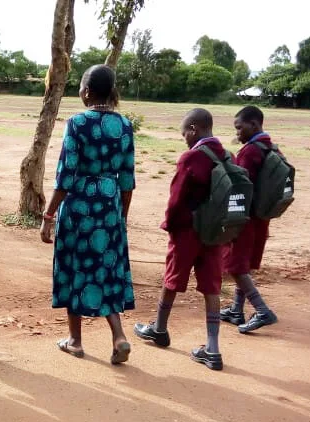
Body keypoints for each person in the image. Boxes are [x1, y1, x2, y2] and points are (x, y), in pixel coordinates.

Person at [40, 64, 135, 365]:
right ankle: (119, 336)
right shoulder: (125, 126)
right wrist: (121, 216)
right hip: (110, 205)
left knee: (74, 267)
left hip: (80, 206)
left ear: (86, 91)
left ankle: (75, 341)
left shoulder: (77, 123)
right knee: (105, 269)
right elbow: (128, 179)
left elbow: (66, 174)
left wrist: (48, 214)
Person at [134, 108, 227, 371]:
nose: (184, 137)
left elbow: (176, 200)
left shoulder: (192, 157)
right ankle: (213, 349)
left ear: (194, 129)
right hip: (215, 232)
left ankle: (159, 329)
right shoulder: (226, 155)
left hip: (188, 230)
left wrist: (169, 225)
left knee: (172, 279)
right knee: (211, 287)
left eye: (185, 132)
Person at [221, 105, 278, 333]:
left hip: (245, 218)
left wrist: (228, 218)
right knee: (243, 263)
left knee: (235, 265)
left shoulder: (250, 151)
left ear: (254, 124)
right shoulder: (270, 146)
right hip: (261, 217)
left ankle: (262, 310)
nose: (237, 133)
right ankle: (236, 310)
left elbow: (240, 186)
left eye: (239, 127)